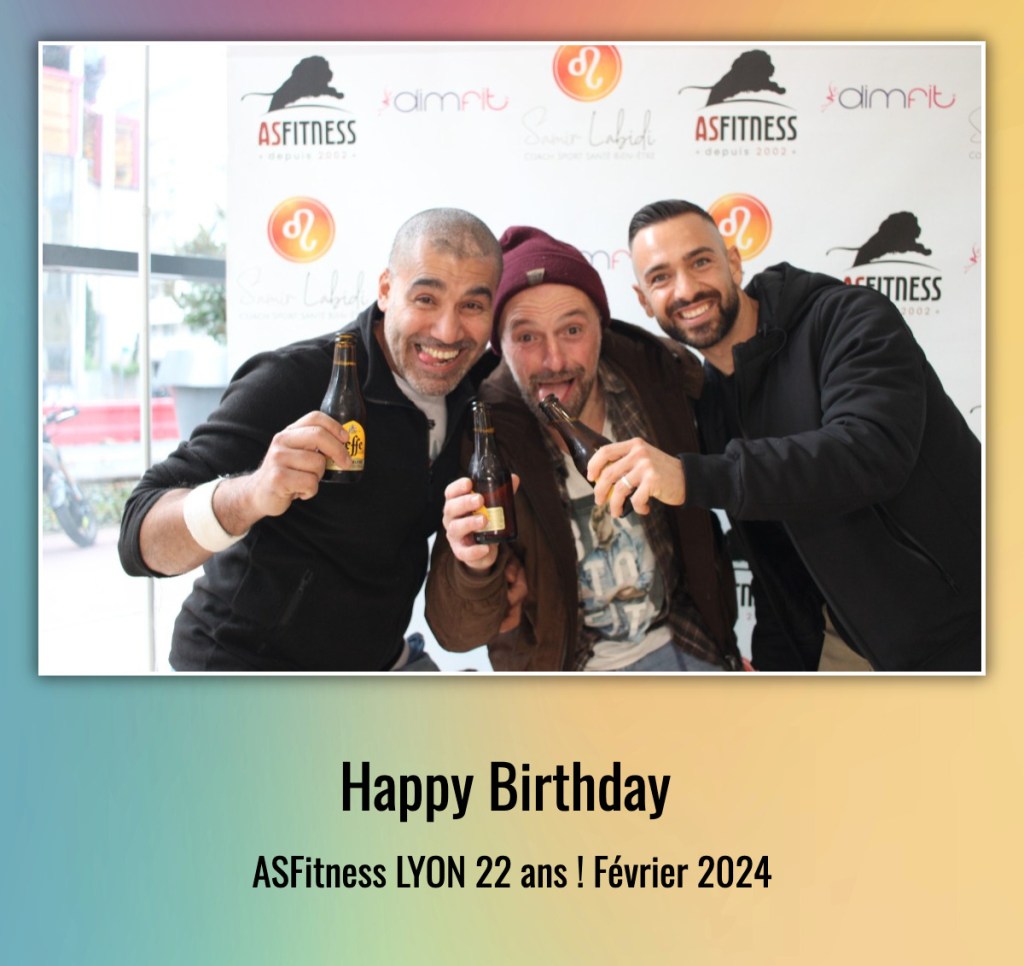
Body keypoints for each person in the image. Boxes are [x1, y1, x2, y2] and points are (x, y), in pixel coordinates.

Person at [590, 198, 980, 672]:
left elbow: (871, 451)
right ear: (643, 300)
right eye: (660, 278)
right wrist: (777, 667)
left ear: (734, 263)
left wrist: (691, 477)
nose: (686, 289)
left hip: (967, 628)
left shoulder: (846, 318)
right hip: (846, 645)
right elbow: (774, 564)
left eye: (701, 262)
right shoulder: (712, 401)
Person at [119, 208, 502, 671]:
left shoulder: (474, 394)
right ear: (386, 290)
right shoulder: (297, 379)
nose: (447, 331)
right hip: (241, 669)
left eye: (472, 306)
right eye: (425, 298)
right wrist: (251, 493)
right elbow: (139, 537)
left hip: (379, 664)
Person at [425, 226, 741, 673]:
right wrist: (474, 568)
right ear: (500, 347)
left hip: (690, 642)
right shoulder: (483, 433)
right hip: (568, 675)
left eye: (572, 329)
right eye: (527, 337)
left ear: (601, 328)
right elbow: (456, 633)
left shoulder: (659, 377)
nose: (553, 360)